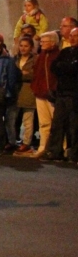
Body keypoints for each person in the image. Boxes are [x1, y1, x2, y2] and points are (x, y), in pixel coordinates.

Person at [43, 26, 78, 161]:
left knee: (74, 126)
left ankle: (74, 154)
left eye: (75, 36)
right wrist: (66, 67)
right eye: (71, 36)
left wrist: (65, 67)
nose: (72, 38)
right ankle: (54, 151)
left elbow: (73, 69)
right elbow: (54, 67)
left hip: (74, 95)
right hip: (61, 93)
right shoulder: (66, 51)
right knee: (57, 124)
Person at [31, 31, 60, 158]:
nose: (41, 43)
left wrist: (54, 90)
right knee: (44, 123)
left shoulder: (58, 55)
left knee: (57, 123)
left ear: (53, 42)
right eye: (41, 41)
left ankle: (60, 148)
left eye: (44, 41)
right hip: (40, 93)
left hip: (52, 94)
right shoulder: (41, 56)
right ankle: (43, 147)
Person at [8, 36, 37, 153]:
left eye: (26, 46)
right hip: (15, 91)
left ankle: (26, 142)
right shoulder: (15, 59)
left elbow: (34, 75)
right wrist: (22, 74)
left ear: (31, 47)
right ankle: (12, 141)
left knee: (28, 119)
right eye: (21, 45)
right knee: (12, 119)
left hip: (28, 91)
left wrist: (20, 74)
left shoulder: (35, 59)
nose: (23, 48)